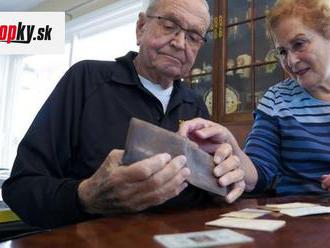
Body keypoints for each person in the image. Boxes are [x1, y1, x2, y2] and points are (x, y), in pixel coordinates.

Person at [2, 0, 244, 229]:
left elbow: (207, 193)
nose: (180, 43)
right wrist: (85, 196)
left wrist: (224, 183)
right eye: (169, 26)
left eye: (193, 37)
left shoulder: (195, 105)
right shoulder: (85, 80)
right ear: (141, 27)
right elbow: (21, 188)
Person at [179, 0, 330, 196]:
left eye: (299, 44)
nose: (291, 61)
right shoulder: (276, 99)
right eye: (282, 52)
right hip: (297, 221)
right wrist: (233, 149)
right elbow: (259, 171)